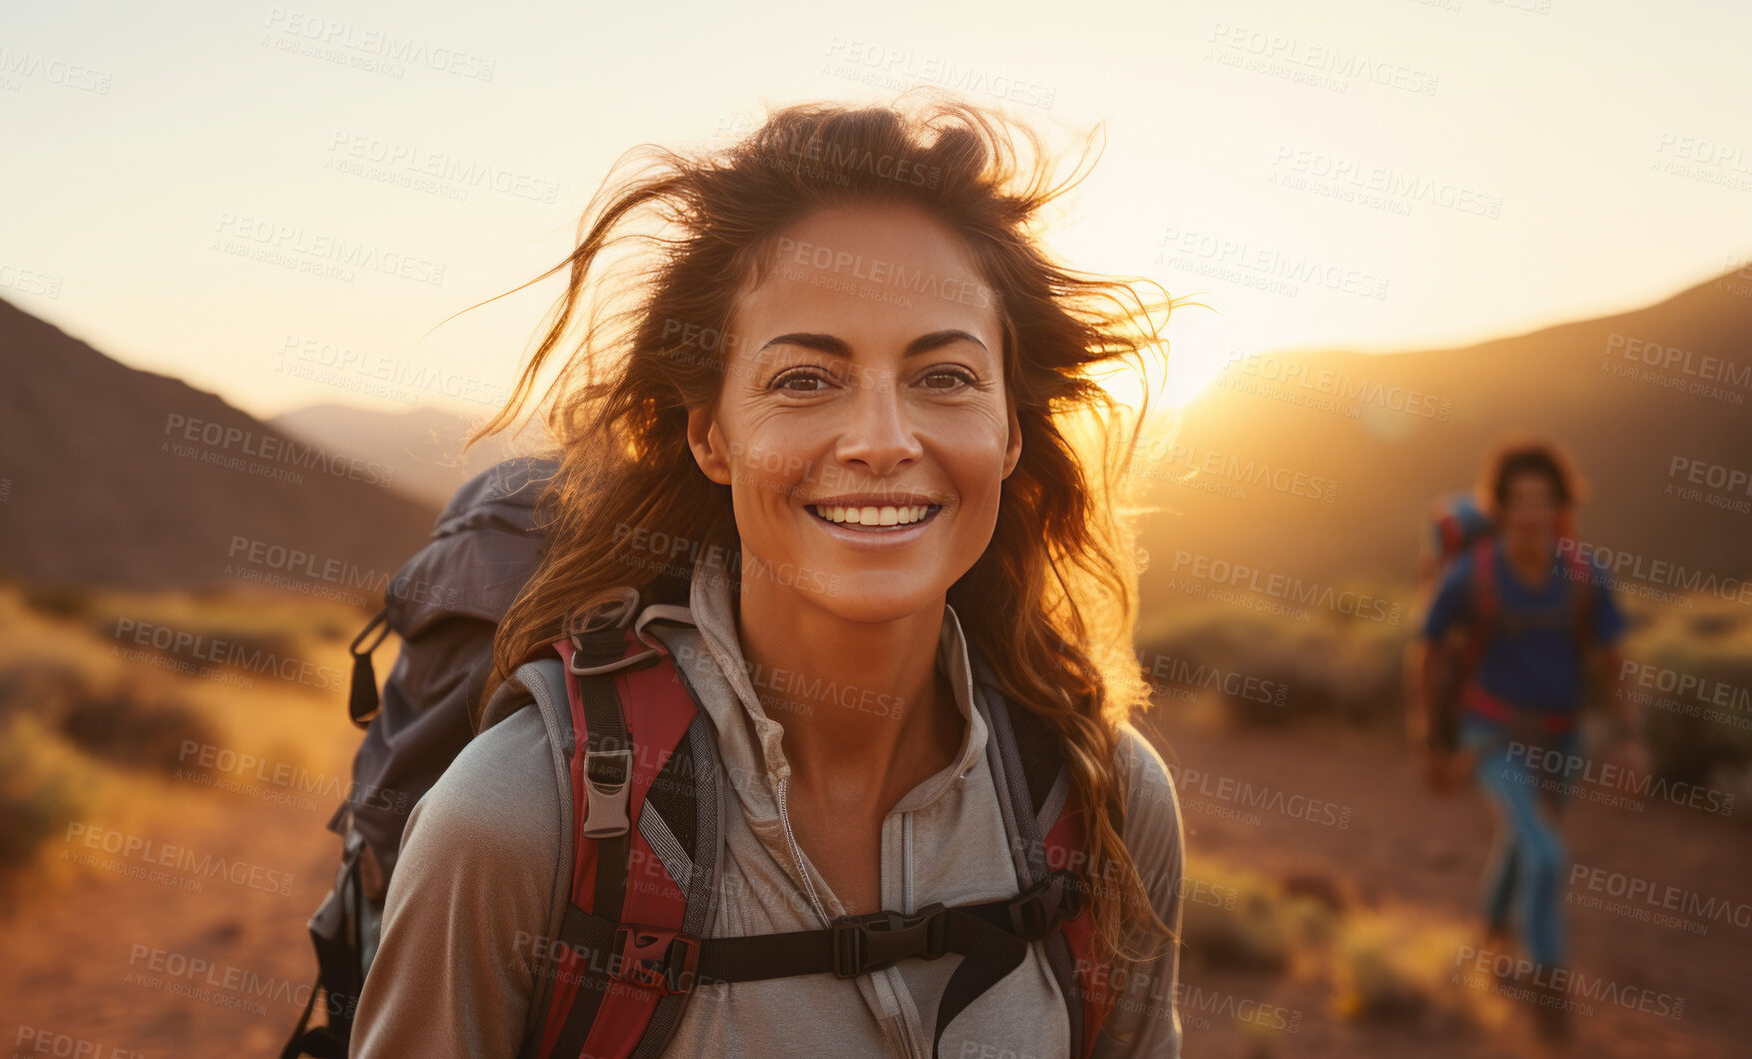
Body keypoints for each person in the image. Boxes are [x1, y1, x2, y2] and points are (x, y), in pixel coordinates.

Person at [347, 94, 1189, 1058]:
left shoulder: (1104, 798)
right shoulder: (517, 819)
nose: (881, 440)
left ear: (1009, 431)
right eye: (803, 378)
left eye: (945, 376)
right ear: (712, 434)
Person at [1407, 438, 1641, 1046]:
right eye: (1519, 501)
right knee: (1544, 853)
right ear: (1500, 508)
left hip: (1563, 740)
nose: (1532, 513)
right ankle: (1548, 992)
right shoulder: (1472, 574)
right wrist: (1427, 734)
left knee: (1523, 839)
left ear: (1561, 506)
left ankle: (1488, 939)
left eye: (1544, 501)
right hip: (1491, 734)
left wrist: (1631, 738)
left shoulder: (1585, 575)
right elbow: (1427, 650)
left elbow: (1614, 660)